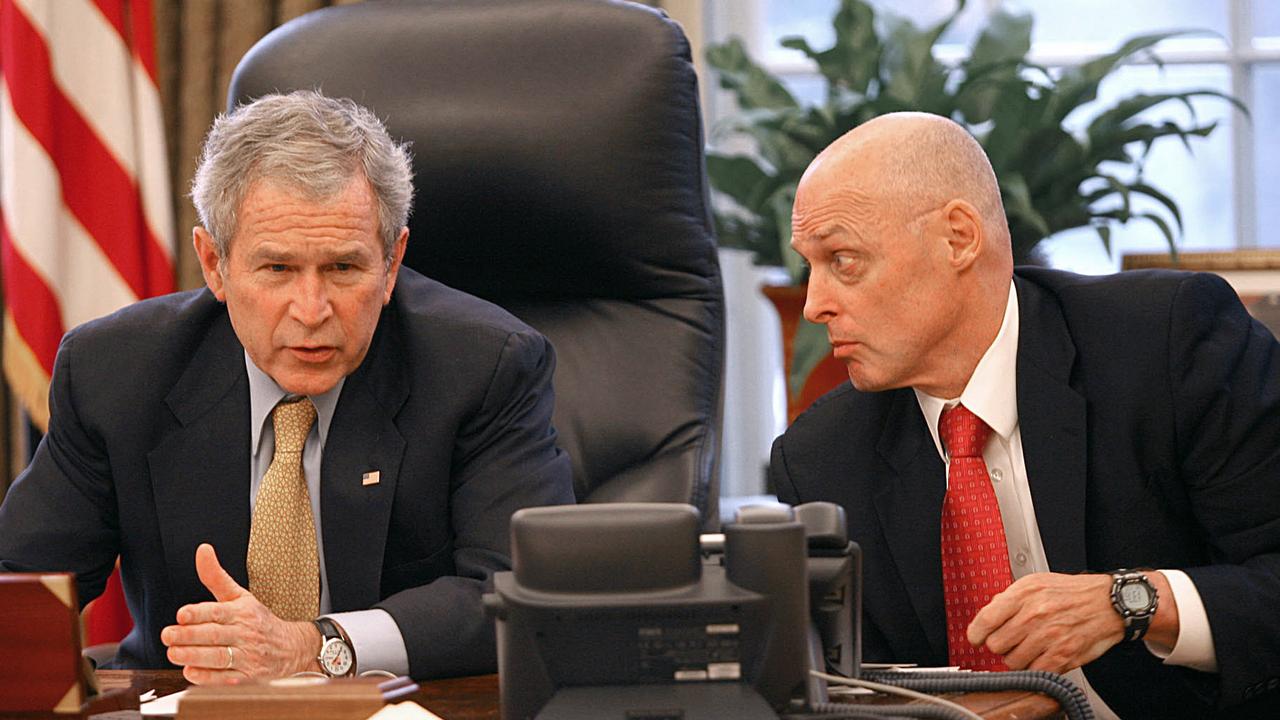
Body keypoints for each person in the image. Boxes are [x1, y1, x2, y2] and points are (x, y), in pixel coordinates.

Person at [0, 90, 575, 684]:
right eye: (277, 269)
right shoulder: (116, 372)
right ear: (215, 265)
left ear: (392, 263)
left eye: (343, 268)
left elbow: (519, 593)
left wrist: (316, 647)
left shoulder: (483, 367)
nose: (311, 309)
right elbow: (22, 590)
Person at [771, 112, 1280, 718]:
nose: (814, 306)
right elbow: (839, 690)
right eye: (810, 267)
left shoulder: (1165, 344)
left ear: (958, 238)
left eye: (843, 260)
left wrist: (1135, 602)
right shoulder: (821, 459)